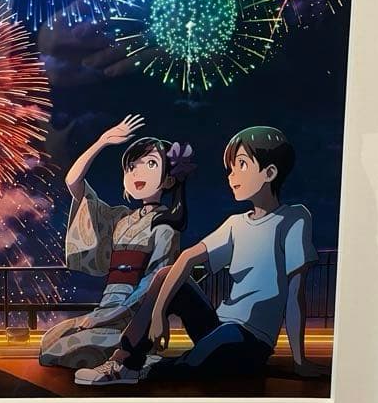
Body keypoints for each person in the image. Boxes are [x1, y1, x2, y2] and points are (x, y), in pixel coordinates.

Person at [74, 125, 325, 385]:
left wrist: (299, 362)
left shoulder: (294, 218)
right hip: (219, 324)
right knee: (166, 274)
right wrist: (159, 312)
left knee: (196, 360)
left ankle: (148, 369)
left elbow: (295, 293)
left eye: (241, 165)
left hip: (251, 339)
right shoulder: (235, 224)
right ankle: (124, 360)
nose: (232, 175)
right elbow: (186, 259)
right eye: (230, 168)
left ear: (269, 172)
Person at [39, 114, 202, 370]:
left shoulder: (165, 227)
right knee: (49, 341)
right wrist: (102, 141)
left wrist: (108, 316)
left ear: (169, 180)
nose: (138, 172)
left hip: (134, 316)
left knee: (63, 351)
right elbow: (73, 182)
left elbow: (153, 283)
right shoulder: (120, 219)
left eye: (151, 164)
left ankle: (137, 357)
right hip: (107, 308)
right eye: (132, 166)